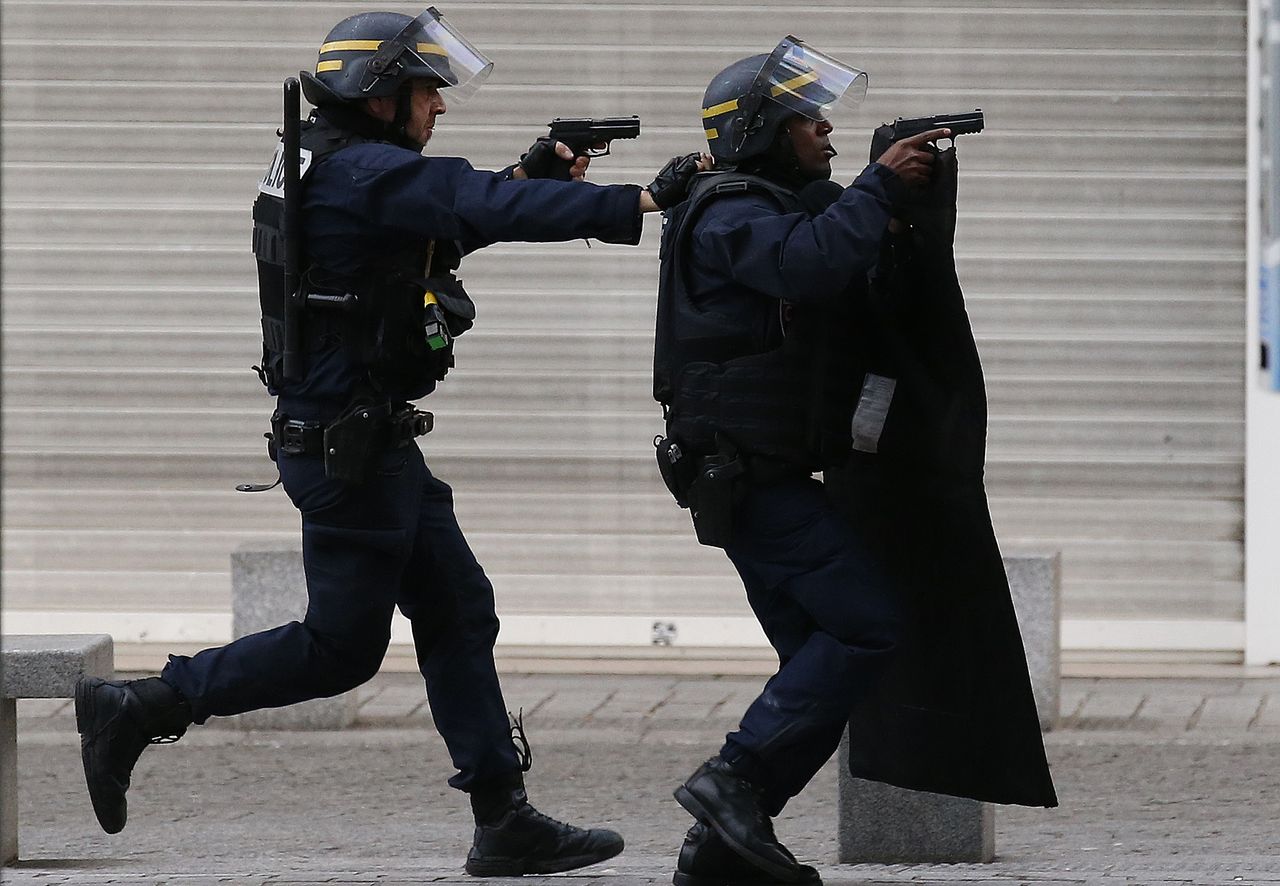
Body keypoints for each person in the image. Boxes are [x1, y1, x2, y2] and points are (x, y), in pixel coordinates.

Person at [74, 8, 703, 876]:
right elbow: (462, 202)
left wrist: (530, 171)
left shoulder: (334, 166)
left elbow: (436, 227)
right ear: (379, 96)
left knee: (457, 608)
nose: (438, 108)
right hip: (349, 451)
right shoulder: (360, 173)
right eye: (425, 91)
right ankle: (141, 705)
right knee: (340, 649)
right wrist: (638, 198)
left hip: (365, 442)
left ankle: (502, 817)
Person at [652, 37, 1056, 886]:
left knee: (819, 668)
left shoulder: (772, 201)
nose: (825, 131)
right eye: (808, 119)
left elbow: (853, 256)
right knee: (865, 627)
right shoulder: (729, 214)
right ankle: (729, 785)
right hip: (750, 482)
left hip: (767, 477)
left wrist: (896, 188)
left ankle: (720, 844)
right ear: (764, 130)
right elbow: (812, 259)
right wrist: (876, 184)